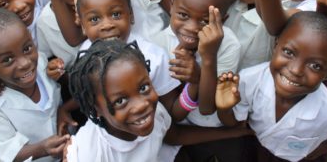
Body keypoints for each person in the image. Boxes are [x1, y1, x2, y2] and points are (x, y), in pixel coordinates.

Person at [216, 11, 327, 162]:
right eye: (289, 52)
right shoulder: (250, 79)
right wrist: (224, 109)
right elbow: (233, 123)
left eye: (315, 66)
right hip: (255, 149)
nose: (295, 70)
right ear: (275, 46)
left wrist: (324, 147)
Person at [66, 38, 251, 161]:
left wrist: (233, 132)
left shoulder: (156, 112)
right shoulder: (86, 154)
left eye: (144, 88)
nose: (141, 105)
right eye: (120, 101)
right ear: (95, 108)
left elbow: (174, 135)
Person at [152, 0, 244, 161]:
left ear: (223, 20)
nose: (192, 28)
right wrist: (195, 81)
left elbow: (207, 108)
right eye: (183, 15)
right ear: (171, 5)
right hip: (180, 130)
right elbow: (174, 114)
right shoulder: (159, 45)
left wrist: (207, 59)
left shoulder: (228, 45)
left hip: (215, 124)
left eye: (205, 21)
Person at [0, 9, 69, 162]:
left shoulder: (41, 63)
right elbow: (6, 151)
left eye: (27, 48)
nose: (25, 63)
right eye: (8, 59)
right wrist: (42, 149)